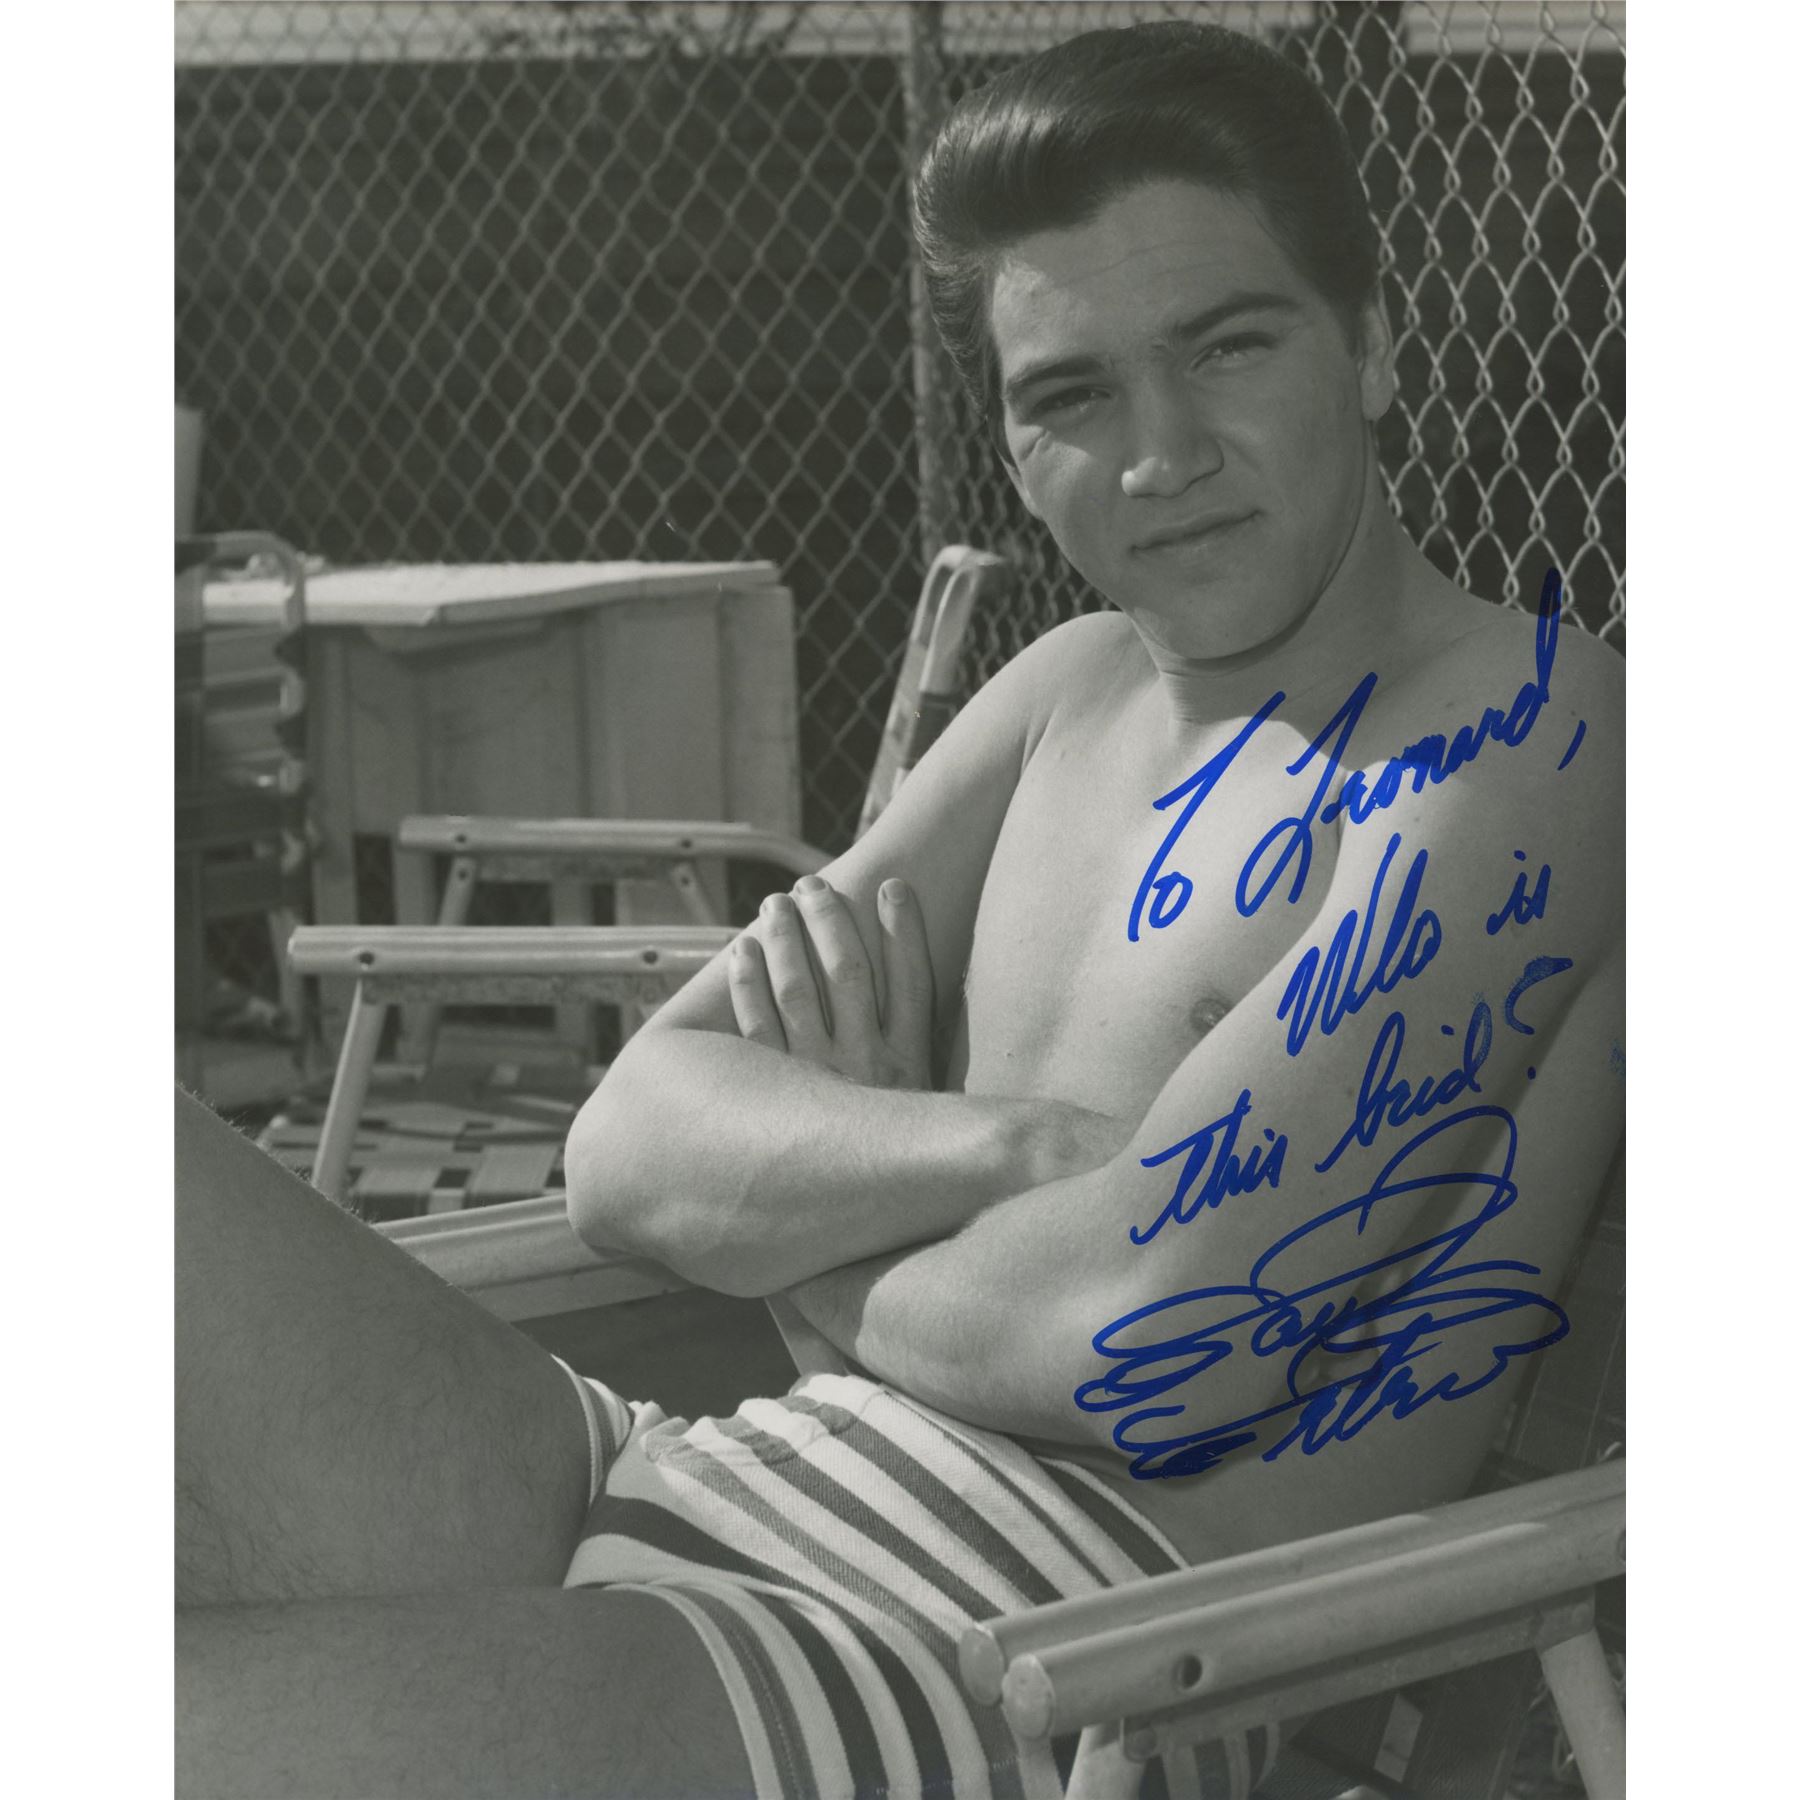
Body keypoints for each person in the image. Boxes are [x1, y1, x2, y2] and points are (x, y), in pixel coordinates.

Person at [176, 21, 1624, 1799]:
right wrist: (1030, 1150)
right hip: (687, 1475)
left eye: (1229, 346)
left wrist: (798, 1247)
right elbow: (627, 1145)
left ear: (1374, 346)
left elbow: (1154, 1334)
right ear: (1012, 445)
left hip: (1009, 1665)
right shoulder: (1065, 692)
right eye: (1073, 395)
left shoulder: (1522, 734)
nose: (1160, 453)